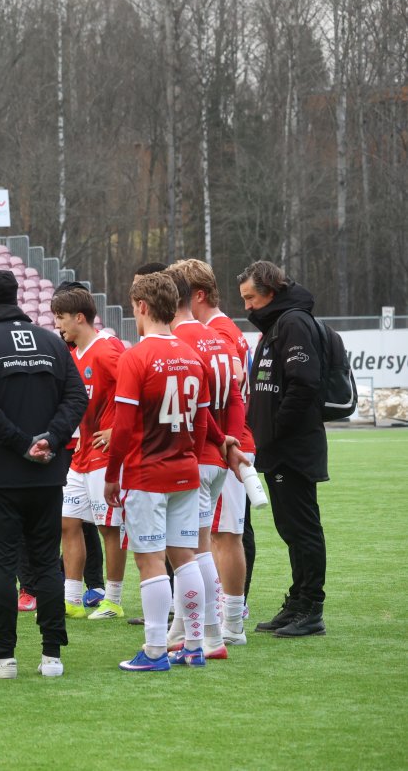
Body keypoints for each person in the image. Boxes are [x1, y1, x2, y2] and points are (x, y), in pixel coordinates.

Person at [0, 269, 88, 679]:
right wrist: (50, 439)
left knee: (1, 568)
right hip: (47, 475)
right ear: (15, 297)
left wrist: (21, 443)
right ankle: (52, 656)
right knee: (46, 563)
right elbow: (77, 397)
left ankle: (4, 657)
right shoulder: (52, 342)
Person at [104, 272, 221, 671]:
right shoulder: (192, 356)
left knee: (150, 561)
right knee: (185, 557)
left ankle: (155, 650)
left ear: (141, 306)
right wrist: (190, 458)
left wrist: (112, 474)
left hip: (146, 473)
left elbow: (122, 427)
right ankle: (194, 645)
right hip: (186, 469)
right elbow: (202, 424)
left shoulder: (136, 357)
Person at [237, 261, 328, 638]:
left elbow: (304, 384)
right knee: (291, 528)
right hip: (280, 446)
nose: (247, 306)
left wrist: (275, 430)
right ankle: (297, 602)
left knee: (302, 528)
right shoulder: (278, 323)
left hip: (293, 447)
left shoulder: (292, 322)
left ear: (271, 293)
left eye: (250, 298)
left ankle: (311, 607)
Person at [172, 258, 257, 644]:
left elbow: (220, 394)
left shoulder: (212, 333)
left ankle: (228, 621)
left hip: (219, 445)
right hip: (228, 442)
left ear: (196, 295)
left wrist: (228, 440)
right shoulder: (223, 332)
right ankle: (219, 618)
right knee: (219, 535)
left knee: (220, 537)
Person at [50, 283, 128, 621]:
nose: (58, 325)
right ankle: (71, 600)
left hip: (105, 455)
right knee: (68, 522)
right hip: (81, 455)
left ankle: (113, 600)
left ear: (79, 317)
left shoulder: (107, 351)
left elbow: (137, 391)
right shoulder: (73, 356)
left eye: (61, 317)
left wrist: (116, 429)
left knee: (109, 527)